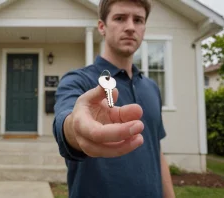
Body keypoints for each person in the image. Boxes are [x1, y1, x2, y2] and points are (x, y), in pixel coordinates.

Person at [52, 0, 175, 197]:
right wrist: (76, 127)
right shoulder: (78, 80)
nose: (130, 27)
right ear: (102, 27)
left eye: (138, 20)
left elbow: (156, 150)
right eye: (119, 18)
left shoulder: (151, 87)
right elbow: (66, 120)